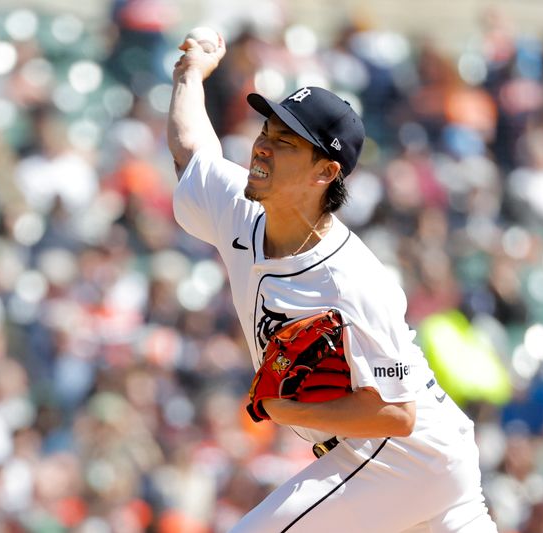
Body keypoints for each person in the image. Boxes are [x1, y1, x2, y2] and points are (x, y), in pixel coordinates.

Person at [167, 32, 498, 533]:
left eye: (284, 142)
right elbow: (192, 151)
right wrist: (189, 76)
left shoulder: (353, 280)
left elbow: (395, 413)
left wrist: (286, 407)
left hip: (403, 457)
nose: (262, 147)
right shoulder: (240, 208)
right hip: (420, 465)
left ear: (326, 171)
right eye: (266, 131)